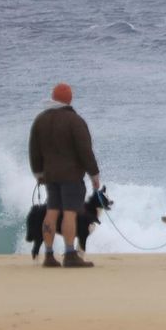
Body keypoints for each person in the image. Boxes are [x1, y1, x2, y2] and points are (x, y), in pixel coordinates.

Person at [29, 82, 102, 268]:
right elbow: (85, 151)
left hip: (50, 176)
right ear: (69, 99)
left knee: (51, 212)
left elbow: (34, 150)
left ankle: (49, 255)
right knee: (70, 214)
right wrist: (94, 174)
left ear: (53, 98)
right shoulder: (75, 121)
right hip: (71, 176)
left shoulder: (40, 120)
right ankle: (70, 254)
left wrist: (38, 173)